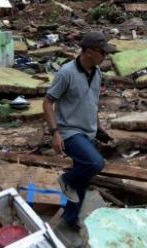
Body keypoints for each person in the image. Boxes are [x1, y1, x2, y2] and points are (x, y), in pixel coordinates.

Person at [43, 31, 116, 230]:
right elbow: (48, 102)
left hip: (88, 131)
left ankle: (70, 217)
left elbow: (93, 102)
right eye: (103, 52)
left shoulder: (97, 72)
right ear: (90, 52)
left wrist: (98, 126)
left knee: (82, 179)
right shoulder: (66, 73)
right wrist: (55, 133)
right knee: (95, 163)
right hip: (69, 131)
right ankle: (65, 180)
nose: (106, 56)